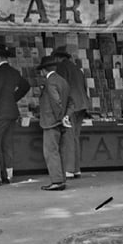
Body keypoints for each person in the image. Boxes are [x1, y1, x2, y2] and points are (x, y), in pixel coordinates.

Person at [0, 44, 31, 186]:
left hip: (0, 114)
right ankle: (8, 175)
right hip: (12, 113)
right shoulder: (14, 72)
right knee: (7, 144)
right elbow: (26, 86)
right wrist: (12, 99)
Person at [37, 55, 72, 191]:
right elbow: (70, 102)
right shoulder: (63, 81)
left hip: (51, 122)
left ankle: (57, 181)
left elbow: (56, 102)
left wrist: (59, 118)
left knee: (51, 152)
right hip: (60, 121)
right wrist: (66, 116)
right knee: (59, 152)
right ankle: (61, 179)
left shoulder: (50, 82)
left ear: (44, 70)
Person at [53, 47, 89, 179]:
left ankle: (68, 169)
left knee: (68, 136)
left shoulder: (61, 67)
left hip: (71, 105)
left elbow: (61, 88)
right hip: (82, 104)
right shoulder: (77, 69)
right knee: (75, 136)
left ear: (57, 58)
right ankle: (76, 169)